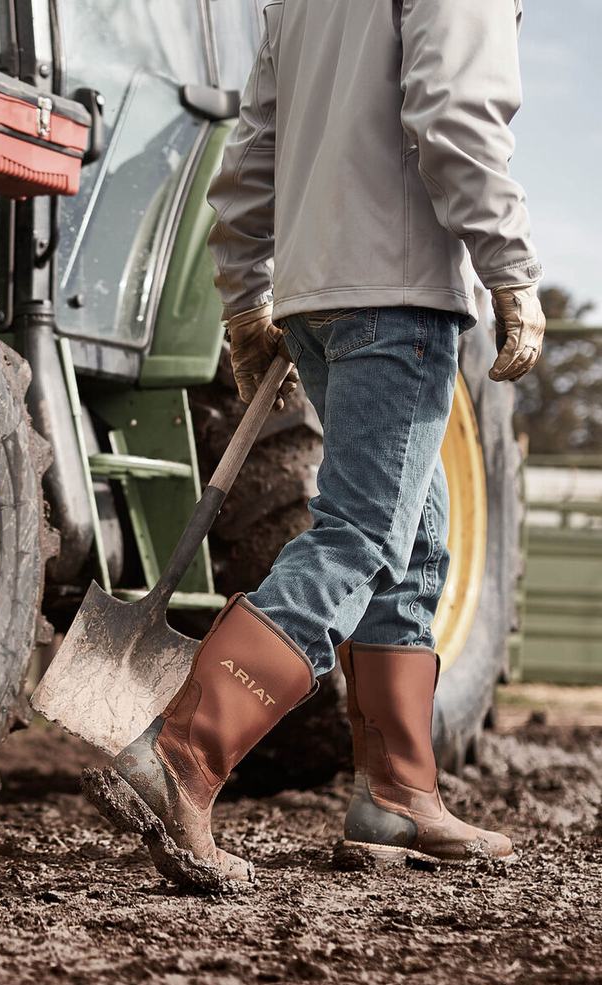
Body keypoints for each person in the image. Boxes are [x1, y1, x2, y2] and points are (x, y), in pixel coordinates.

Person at [82, 0, 545, 891]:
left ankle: (398, 796)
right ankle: (181, 752)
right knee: (364, 535)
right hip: (397, 292)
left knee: (413, 541)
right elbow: (456, 111)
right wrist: (511, 267)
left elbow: (256, 144)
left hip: (316, 295)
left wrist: (246, 291)